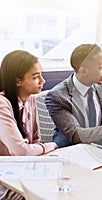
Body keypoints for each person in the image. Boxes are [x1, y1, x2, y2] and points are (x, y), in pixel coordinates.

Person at [45, 44, 102, 148]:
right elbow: (76, 135)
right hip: (72, 149)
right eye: (101, 67)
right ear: (83, 71)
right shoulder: (57, 96)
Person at [0, 50, 58, 199]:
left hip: (24, 170)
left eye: (41, 74)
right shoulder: (2, 104)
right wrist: (50, 145)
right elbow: (21, 151)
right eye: (35, 77)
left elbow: (35, 139)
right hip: (6, 180)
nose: (42, 81)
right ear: (18, 81)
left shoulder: (30, 99)